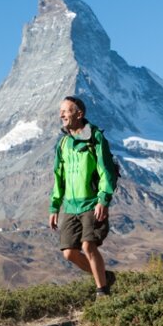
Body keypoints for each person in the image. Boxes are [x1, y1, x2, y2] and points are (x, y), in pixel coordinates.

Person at [49, 96, 118, 297]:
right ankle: (105, 276)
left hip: (91, 203)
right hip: (70, 206)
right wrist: (54, 207)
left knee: (88, 245)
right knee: (69, 252)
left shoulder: (96, 137)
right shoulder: (63, 143)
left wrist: (103, 200)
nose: (62, 114)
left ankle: (102, 291)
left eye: (66, 110)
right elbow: (58, 177)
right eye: (60, 110)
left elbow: (106, 171)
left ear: (79, 114)